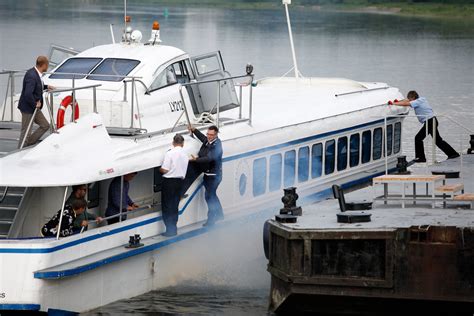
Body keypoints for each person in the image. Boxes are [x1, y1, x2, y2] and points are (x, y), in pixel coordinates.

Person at [393, 91, 460, 163]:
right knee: (438, 140)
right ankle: (453, 154)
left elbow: (407, 103)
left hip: (430, 122)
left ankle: (421, 158)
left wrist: (393, 103)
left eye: (410, 99)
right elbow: (406, 101)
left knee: (418, 138)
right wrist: (398, 101)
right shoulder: (422, 99)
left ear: (413, 97)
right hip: (433, 120)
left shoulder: (417, 102)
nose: (409, 100)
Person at [188, 125, 224, 227]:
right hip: (208, 174)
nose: (209, 136)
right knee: (211, 196)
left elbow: (209, 158)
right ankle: (220, 215)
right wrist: (194, 130)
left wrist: (196, 160)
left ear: (216, 135)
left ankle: (211, 220)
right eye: (208, 134)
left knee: (209, 197)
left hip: (214, 176)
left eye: (211, 135)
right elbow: (203, 138)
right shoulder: (208, 141)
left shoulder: (217, 145)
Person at [18, 56, 55, 148]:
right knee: (26, 131)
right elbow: (28, 93)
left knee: (45, 125)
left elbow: (37, 85)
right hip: (28, 108)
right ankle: (19, 151)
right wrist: (35, 103)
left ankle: (29, 143)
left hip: (35, 107)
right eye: (47, 65)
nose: (48, 67)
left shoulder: (36, 74)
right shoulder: (31, 75)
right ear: (44, 65)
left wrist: (46, 87)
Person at [159, 134, 189, 237]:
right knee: (174, 206)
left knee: (167, 206)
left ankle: (169, 230)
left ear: (173, 142)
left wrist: (160, 169)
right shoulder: (185, 154)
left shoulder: (170, 153)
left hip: (169, 182)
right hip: (180, 182)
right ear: (183, 143)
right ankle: (174, 228)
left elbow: (165, 169)